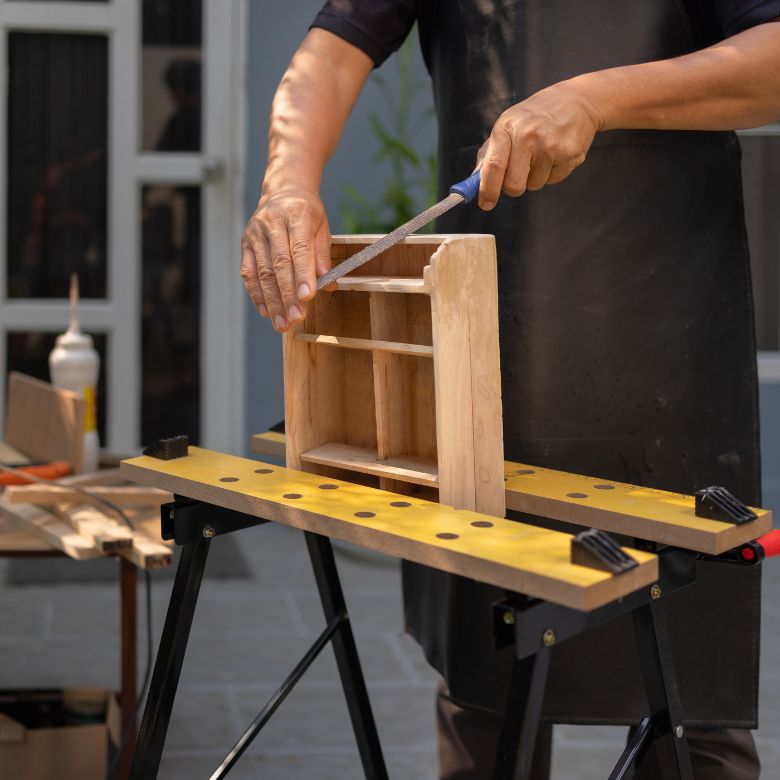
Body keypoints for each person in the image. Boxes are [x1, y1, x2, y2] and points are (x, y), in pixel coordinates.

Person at [241, 3, 780, 777]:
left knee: (692, 705)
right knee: (489, 695)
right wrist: (287, 183)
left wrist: (596, 98)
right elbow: (328, 55)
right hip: (486, 351)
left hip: (674, 348)